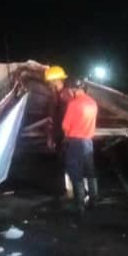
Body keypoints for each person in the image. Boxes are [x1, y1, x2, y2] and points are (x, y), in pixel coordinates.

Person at [61, 78, 99, 217]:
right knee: (90, 172)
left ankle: (79, 207)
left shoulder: (74, 103)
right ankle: (94, 201)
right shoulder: (93, 103)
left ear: (73, 89)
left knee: (75, 174)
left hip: (75, 143)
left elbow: (65, 125)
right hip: (88, 142)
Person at [44, 65, 75, 198]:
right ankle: (69, 190)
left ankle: (74, 192)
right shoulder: (57, 95)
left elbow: (69, 118)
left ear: (56, 80)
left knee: (70, 163)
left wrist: (66, 136)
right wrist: (51, 137)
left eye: (50, 82)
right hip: (60, 135)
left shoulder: (66, 96)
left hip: (67, 136)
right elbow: (53, 118)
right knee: (64, 163)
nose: (49, 84)